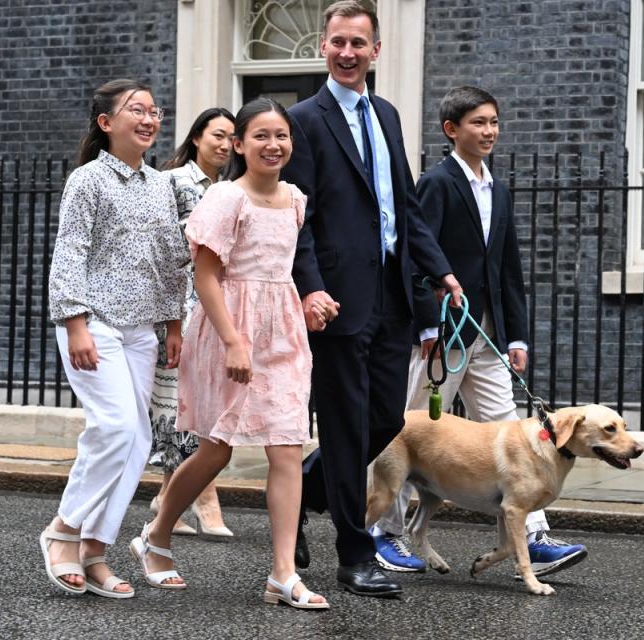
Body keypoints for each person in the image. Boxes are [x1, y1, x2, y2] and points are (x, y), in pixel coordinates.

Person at [369, 86, 590, 579]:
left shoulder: (500, 190)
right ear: (452, 130)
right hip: (441, 336)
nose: (489, 131)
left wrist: (516, 336)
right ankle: (384, 535)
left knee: (515, 431)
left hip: (487, 334)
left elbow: (507, 270)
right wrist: (426, 320)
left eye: (493, 122)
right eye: (478, 123)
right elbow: (415, 258)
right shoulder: (436, 183)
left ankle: (534, 536)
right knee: (407, 432)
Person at [281, 0, 462, 599]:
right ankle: (354, 556)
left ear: (375, 50)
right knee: (342, 420)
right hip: (336, 297)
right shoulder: (303, 119)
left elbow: (404, 204)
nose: (348, 52)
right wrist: (311, 286)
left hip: (392, 292)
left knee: (383, 417)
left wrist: (440, 272)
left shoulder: (386, 114)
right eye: (337, 42)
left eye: (359, 42)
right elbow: (297, 216)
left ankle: (298, 493)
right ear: (324, 48)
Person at [130, 97, 329, 610]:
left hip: (282, 331)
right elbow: (206, 275)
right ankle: (157, 534)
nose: (273, 144)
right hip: (226, 329)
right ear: (239, 144)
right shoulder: (225, 199)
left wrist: (308, 303)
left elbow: (283, 270)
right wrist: (235, 340)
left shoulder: (296, 199)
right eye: (260, 135)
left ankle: (282, 574)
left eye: (281, 135)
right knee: (216, 448)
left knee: (287, 445)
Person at [39, 79, 188, 599]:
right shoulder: (87, 181)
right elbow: (69, 254)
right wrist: (75, 323)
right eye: (136, 111)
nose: (149, 119)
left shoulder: (159, 185)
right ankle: (63, 529)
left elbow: (173, 261)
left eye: (154, 111)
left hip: (141, 329)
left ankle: (95, 549)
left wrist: (173, 324)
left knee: (139, 438)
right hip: (94, 322)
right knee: (117, 426)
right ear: (106, 123)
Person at [149, 107, 236, 538]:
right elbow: (165, 248)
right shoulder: (174, 181)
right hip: (180, 306)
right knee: (178, 404)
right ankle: (199, 496)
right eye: (217, 135)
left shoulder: (231, 190)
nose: (223, 144)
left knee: (205, 403)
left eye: (230, 137)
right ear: (198, 136)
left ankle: (172, 494)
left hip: (217, 307)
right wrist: (169, 318)